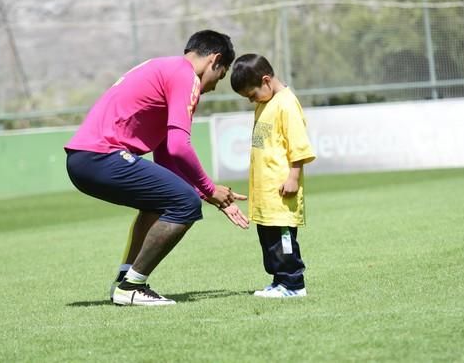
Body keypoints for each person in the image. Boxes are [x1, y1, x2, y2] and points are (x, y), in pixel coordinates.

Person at [65, 30, 249, 306]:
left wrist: (205, 193)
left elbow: (164, 157)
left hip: (84, 158)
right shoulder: (187, 77)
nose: (213, 86)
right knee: (185, 203)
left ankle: (125, 280)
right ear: (215, 59)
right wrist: (209, 190)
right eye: (220, 76)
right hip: (101, 156)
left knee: (161, 201)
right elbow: (179, 146)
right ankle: (133, 287)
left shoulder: (165, 67)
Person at [230, 53, 315, 298]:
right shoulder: (264, 104)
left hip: (281, 189)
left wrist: (293, 178)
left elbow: (298, 145)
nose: (251, 100)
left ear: (266, 80)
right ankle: (279, 281)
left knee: (283, 238)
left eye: (252, 94)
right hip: (265, 193)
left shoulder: (287, 104)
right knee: (269, 240)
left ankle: (293, 284)